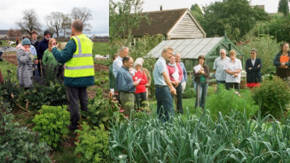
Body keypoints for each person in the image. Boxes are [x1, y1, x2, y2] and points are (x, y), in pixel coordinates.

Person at [51, 20, 95, 131]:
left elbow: (62, 58)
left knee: (74, 101)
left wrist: (54, 49)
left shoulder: (73, 41)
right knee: (83, 97)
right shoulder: (89, 41)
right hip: (87, 75)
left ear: (73, 28)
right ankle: (86, 119)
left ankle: (74, 125)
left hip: (74, 76)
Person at [153, 47, 176, 122]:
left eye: (172, 54)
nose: (171, 55)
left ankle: (162, 129)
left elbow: (161, 78)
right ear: (163, 53)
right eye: (169, 53)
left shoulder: (161, 62)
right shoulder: (161, 62)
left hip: (160, 88)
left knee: (161, 111)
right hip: (163, 89)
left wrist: (171, 82)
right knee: (168, 110)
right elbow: (165, 75)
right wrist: (171, 87)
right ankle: (170, 128)